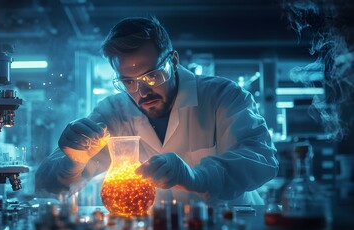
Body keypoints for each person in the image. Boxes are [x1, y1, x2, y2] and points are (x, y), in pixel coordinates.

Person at [35, 16, 279, 205]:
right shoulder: (112, 112)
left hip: (228, 226)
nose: (142, 92)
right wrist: (72, 162)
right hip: (155, 229)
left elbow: (262, 159)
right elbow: (47, 188)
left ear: (173, 61)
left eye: (152, 76)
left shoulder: (222, 96)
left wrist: (196, 177)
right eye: (128, 82)